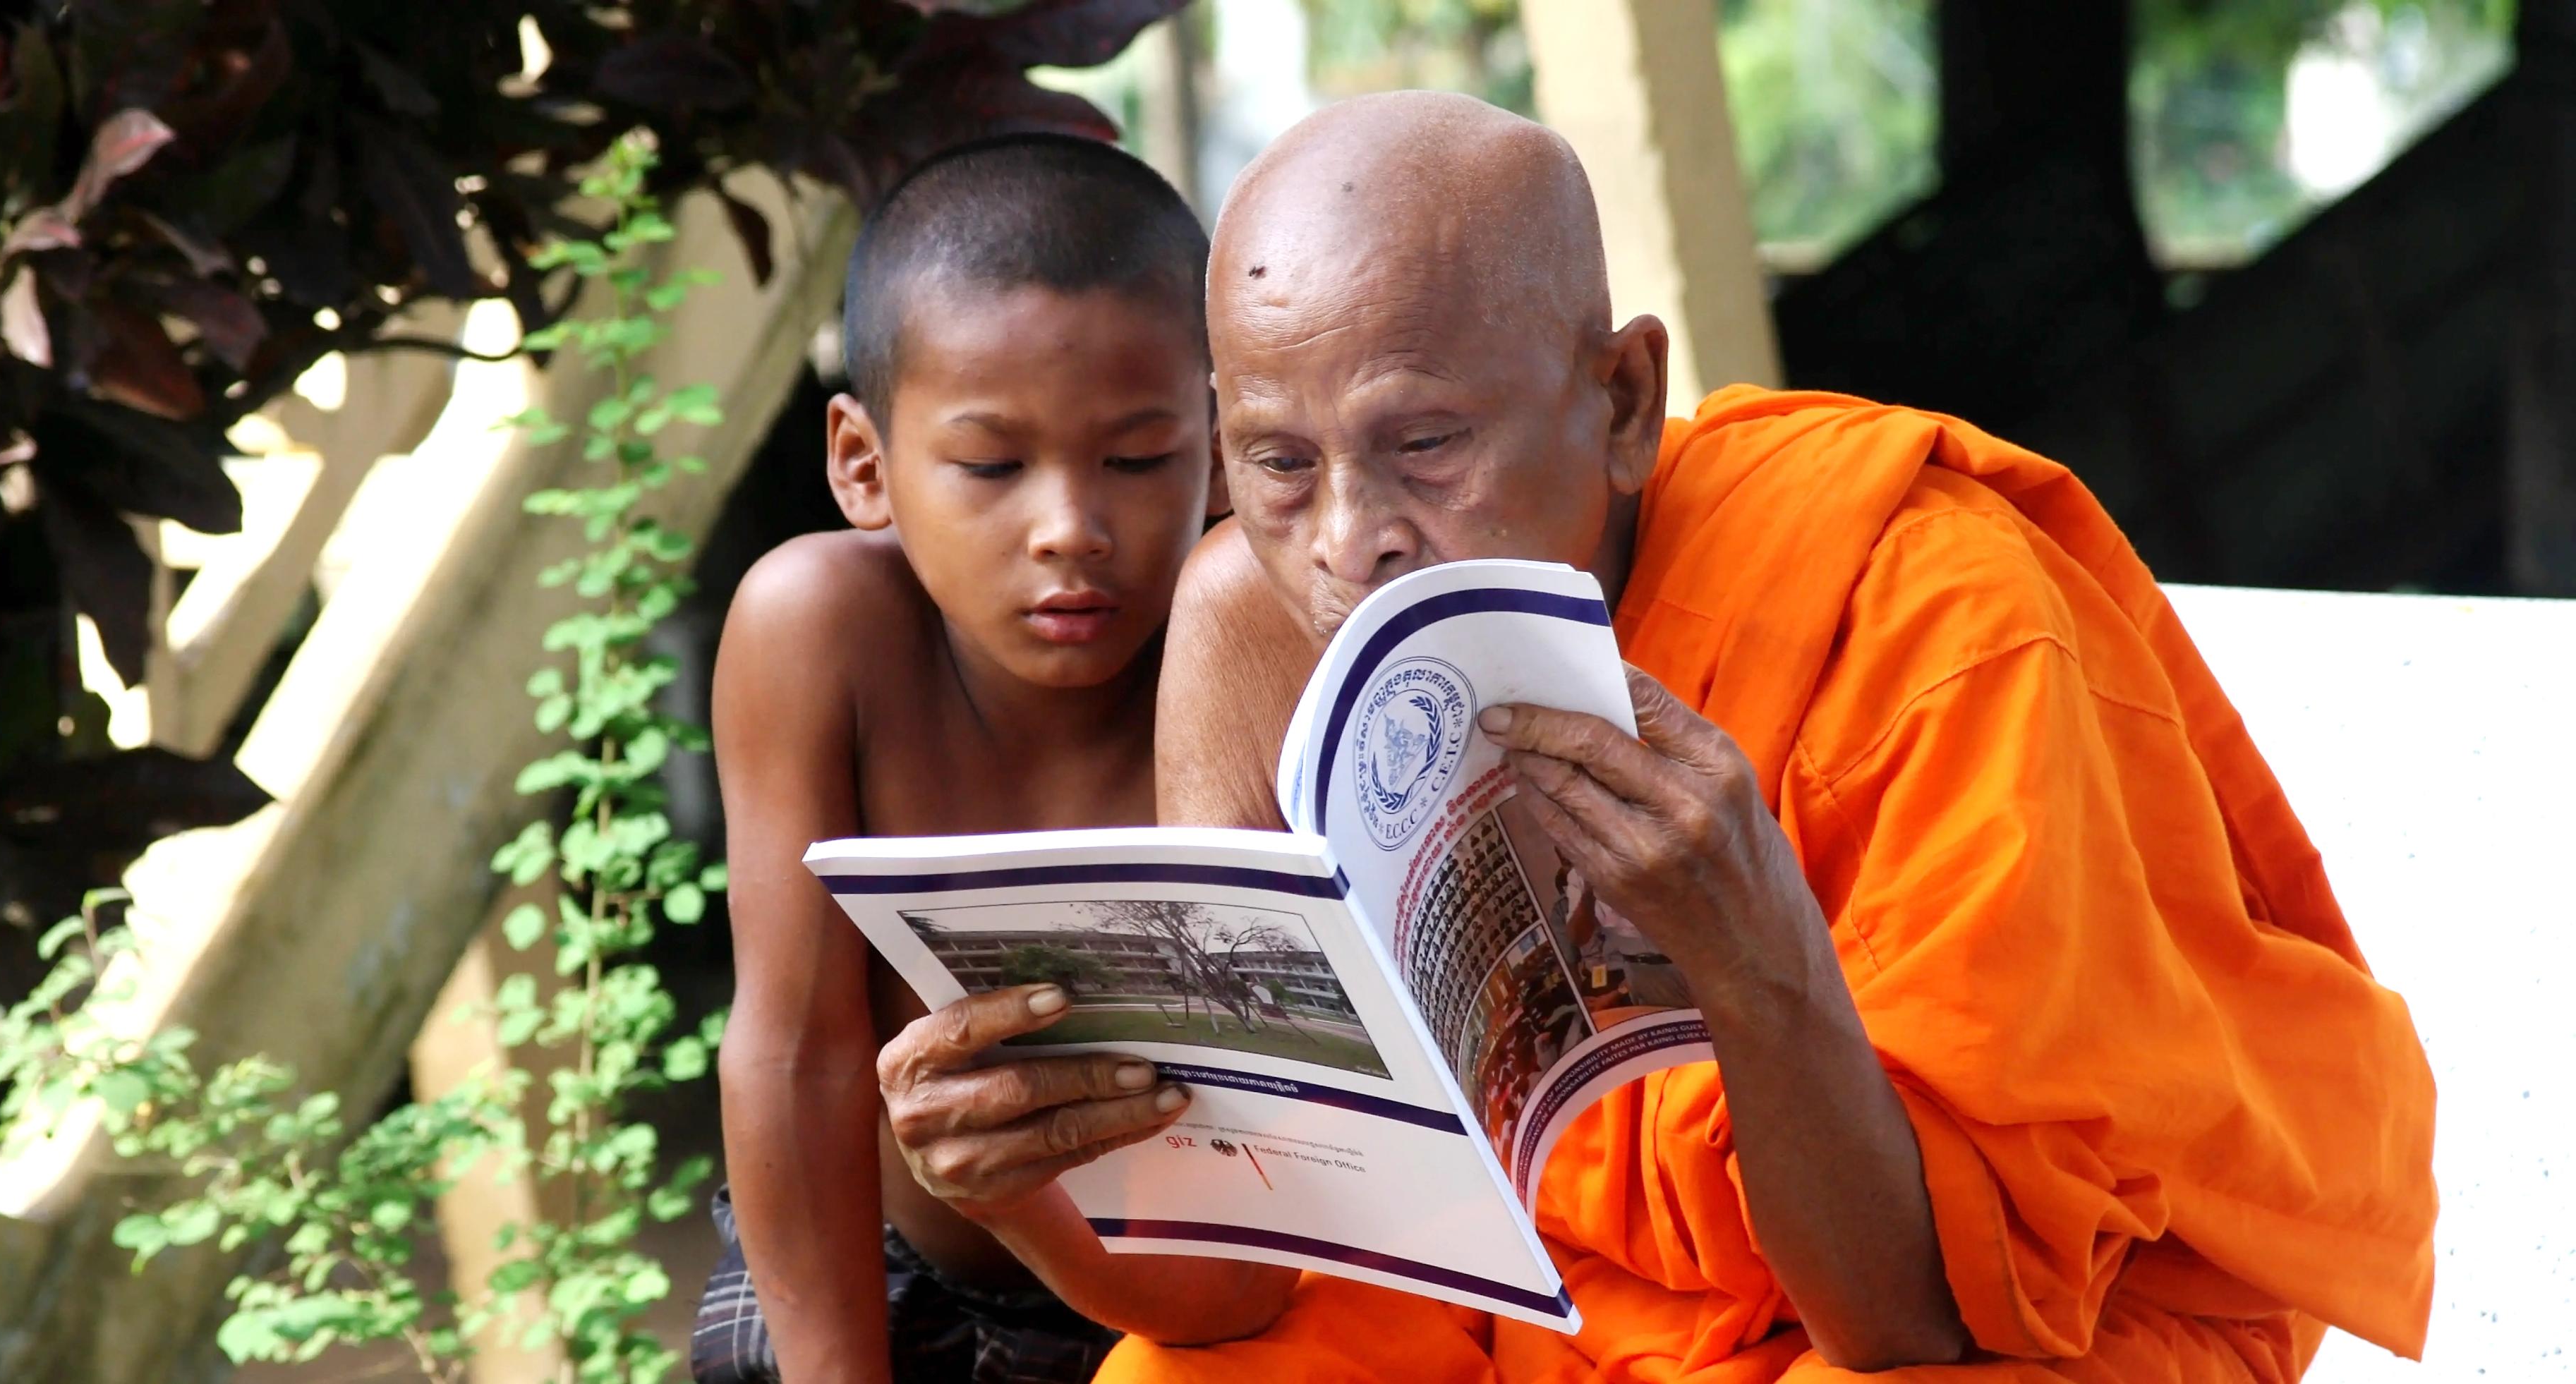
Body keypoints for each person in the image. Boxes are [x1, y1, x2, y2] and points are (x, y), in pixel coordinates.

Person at [873, 92, 2441, 1383]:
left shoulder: (1937, 615)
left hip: (1957, 1319)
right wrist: (1021, 1193)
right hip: (1539, 1307)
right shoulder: (1245, 625)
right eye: (1278, 464)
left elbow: (1920, 1323)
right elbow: (1248, 1298)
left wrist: (1756, 959)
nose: (1355, 540)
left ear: (1622, 397)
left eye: (1426, 446)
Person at [702, 133, 1231, 1384]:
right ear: (863, 464)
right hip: (880, 1276)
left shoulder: (1243, 632)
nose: (1070, 529)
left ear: (1221, 439)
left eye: (1141, 459)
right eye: (993, 465)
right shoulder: (819, 632)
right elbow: (795, 1052)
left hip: (1187, 1305)